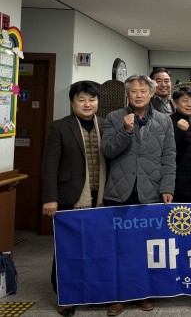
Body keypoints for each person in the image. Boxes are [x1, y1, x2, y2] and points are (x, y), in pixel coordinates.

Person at [102, 74, 176, 315]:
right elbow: (108, 150)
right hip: (119, 192)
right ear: (127, 94)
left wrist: (167, 188)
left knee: (147, 248)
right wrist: (126, 130)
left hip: (150, 191)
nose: (138, 95)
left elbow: (169, 156)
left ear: (152, 93)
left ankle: (145, 293)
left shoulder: (164, 121)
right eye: (133, 91)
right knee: (119, 247)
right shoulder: (114, 118)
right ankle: (119, 296)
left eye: (143, 91)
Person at [41, 81, 107, 317]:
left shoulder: (106, 125)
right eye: (81, 100)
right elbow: (49, 165)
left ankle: (94, 291)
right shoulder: (59, 127)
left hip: (101, 198)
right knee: (67, 248)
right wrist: (50, 198)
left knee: (97, 247)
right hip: (70, 196)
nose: (87, 104)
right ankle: (65, 296)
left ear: (98, 102)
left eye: (92, 99)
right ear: (72, 102)